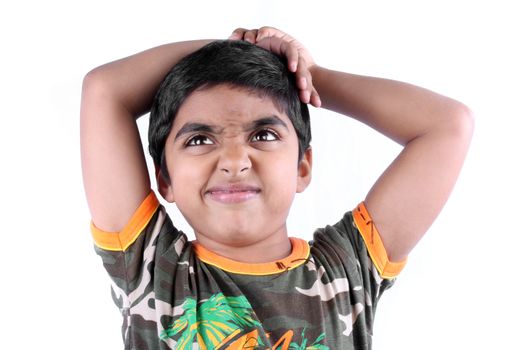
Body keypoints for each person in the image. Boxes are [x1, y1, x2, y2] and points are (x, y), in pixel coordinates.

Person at [80, 27, 473, 349]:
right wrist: (235, 49)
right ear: (164, 178)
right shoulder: (152, 270)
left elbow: (447, 126)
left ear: (303, 166)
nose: (235, 161)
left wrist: (305, 77)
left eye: (263, 134)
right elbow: (104, 91)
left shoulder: (346, 272)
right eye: (199, 140)